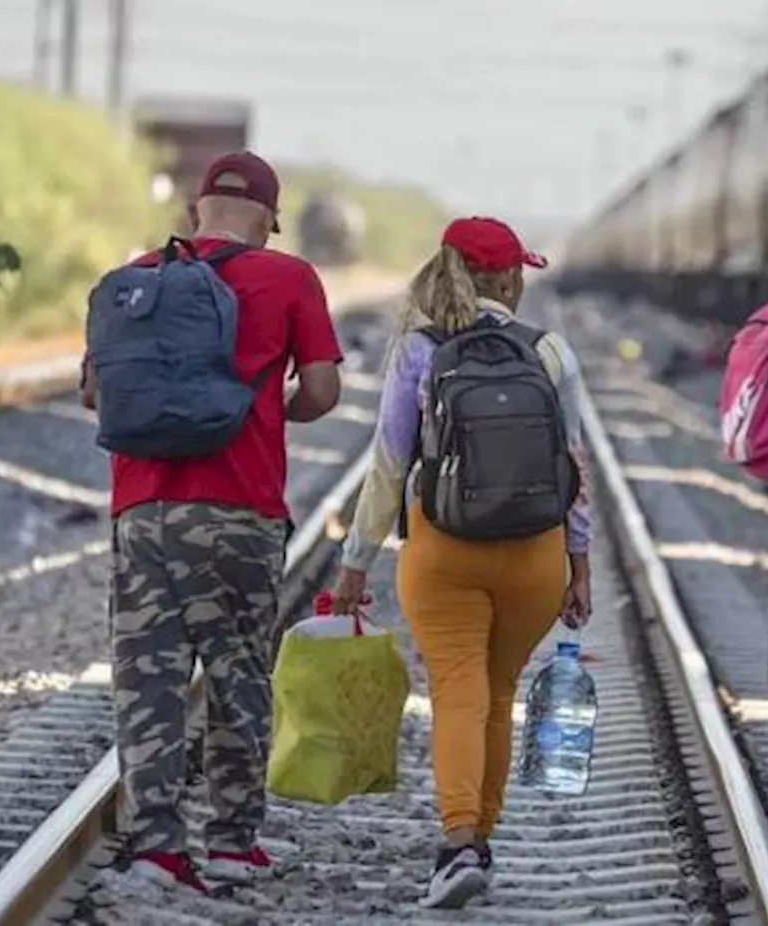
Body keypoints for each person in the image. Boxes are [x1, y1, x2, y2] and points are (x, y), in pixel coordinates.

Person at [80, 150, 344, 894]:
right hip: (239, 510)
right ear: (270, 216)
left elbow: (98, 394)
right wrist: (270, 411)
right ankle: (231, 843)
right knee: (237, 678)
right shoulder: (290, 278)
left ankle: (157, 848)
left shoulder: (140, 274)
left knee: (149, 682)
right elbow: (321, 390)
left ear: (196, 211)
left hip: (142, 509)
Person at [330, 216, 593, 910]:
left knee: (457, 691)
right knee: (498, 697)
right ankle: (482, 838)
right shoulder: (551, 352)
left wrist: (357, 560)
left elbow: (389, 465)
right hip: (535, 557)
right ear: (511, 278)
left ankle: (458, 843)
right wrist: (581, 563)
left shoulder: (419, 350)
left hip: (444, 552)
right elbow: (577, 469)